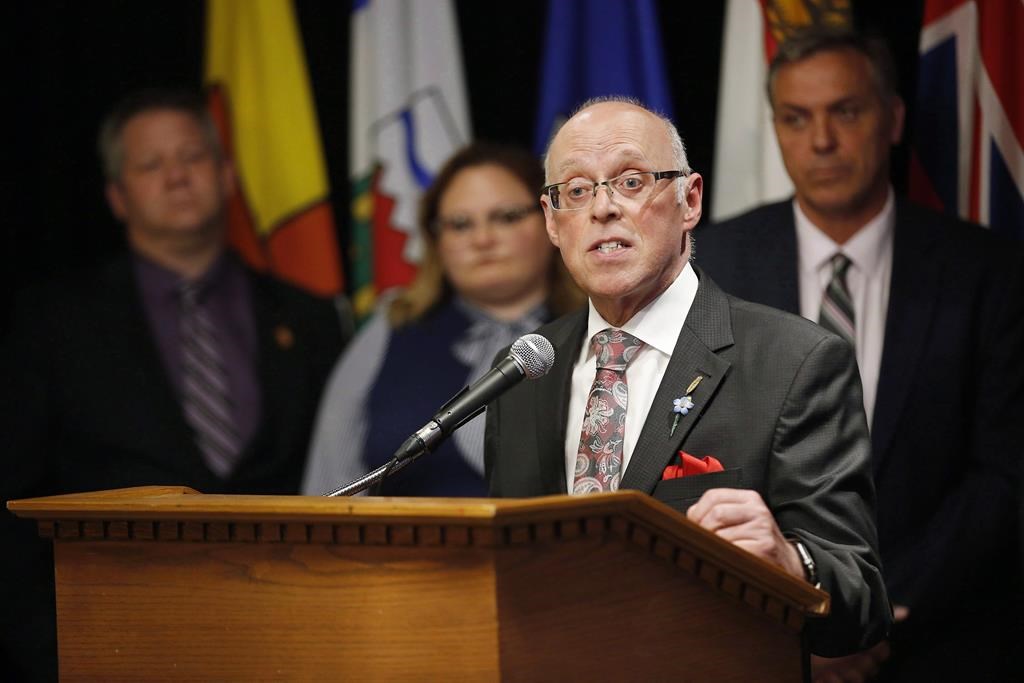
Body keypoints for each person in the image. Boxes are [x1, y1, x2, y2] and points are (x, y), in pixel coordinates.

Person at [484, 97, 891, 658]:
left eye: (630, 181)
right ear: (553, 222)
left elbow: (860, 600)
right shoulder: (524, 372)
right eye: (577, 191)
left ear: (689, 200)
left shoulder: (794, 361)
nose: (603, 208)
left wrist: (790, 562)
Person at [696, 30, 1024, 681]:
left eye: (845, 112)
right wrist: (791, 614)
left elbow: (1003, 472)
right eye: (796, 118)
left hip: (942, 642)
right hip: (752, 637)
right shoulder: (710, 268)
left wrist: (871, 615)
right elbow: (694, 458)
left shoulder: (987, 271)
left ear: (893, 118)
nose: (821, 141)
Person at [0, 88, 347, 681]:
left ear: (226, 174)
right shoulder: (49, 323)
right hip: (111, 638)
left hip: (293, 635)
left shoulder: (311, 319)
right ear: (116, 195)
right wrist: (50, 657)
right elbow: (14, 503)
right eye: (150, 164)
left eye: (191, 157)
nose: (176, 176)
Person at [303, 143, 584, 497]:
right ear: (436, 238)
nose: (483, 239)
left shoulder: (599, 327)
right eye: (460, 224)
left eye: (507, 217)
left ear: (551, 221)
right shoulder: (391, 329)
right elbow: (330, 483)